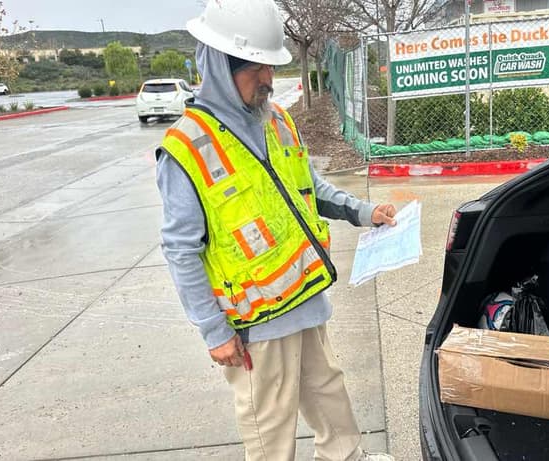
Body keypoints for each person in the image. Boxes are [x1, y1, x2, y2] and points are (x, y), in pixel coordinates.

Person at [155, 1, 397, 460]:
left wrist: (365, 212)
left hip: (304, 299)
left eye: (270, 66)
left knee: (329, 394)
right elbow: (181, 250)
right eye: (257, 68)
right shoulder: (186, 148)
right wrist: (214, 331)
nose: (268, 79)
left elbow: (311, 185)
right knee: (270, 428)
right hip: (256, 324)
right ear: (221, 66)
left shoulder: (276, 119)